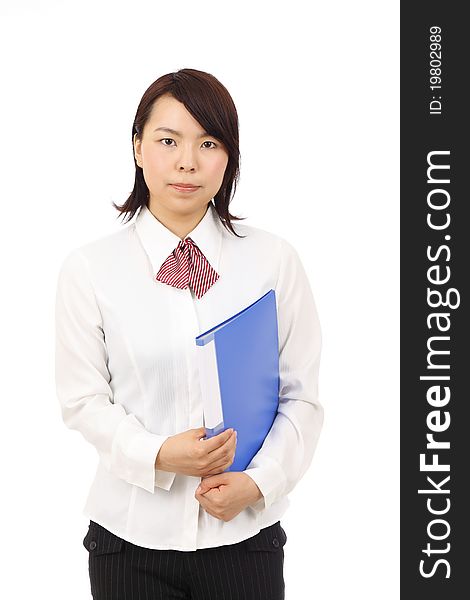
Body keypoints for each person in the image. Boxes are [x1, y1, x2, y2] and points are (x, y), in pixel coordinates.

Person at [54, 67, 324, 600]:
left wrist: (258, 483)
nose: (187, 162)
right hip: (128, 540)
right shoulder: (90, 269)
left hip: (244, 538)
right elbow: (82, 400)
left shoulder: (272, 261)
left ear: (230, 156)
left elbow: (302, 398)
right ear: (137, 148)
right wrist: (156, 454)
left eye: (208, 143)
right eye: (168, 140)